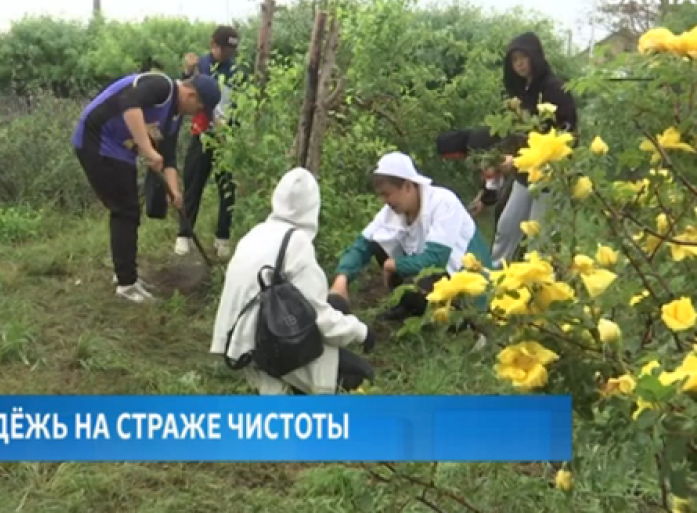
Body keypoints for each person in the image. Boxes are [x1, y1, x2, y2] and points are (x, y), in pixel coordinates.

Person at [211, 167, 376, 394]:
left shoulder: (256, 233)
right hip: (268, 345)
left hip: (237, 341)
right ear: (313, 207)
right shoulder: (296, 243)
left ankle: (291, 387)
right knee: (360, 374)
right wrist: (361, 332)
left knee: (337, 304)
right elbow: (321, 318)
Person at [71, 71, 223, 303]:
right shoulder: (161, 86)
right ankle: (126, 285)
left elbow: (168, 157)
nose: (197, 114)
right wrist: (148, 150)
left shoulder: (173, 117)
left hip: (120, 150)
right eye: (200, 108)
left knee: (129, 210)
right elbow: (129, 105)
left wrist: (175, 192)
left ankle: (126, 275)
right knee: (125, 210)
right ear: (191, 95)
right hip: (98, 141)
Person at [329, 152, 492, 323]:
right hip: (433, 274)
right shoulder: (390, 213)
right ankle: (408, 307)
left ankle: (452, 317)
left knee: (425, 274)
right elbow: (362, 245)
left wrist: (393, 264)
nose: (384, 201)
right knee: (379, 243)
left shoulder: (443, 202)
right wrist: (342, 278)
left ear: (407, 186)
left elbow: (435, 260)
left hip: (465, 282)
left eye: (387, 194)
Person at [490, 32, 578, 269]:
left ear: (535, 57)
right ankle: (496, 282)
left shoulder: (554, 88)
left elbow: (566, 133)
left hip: (549, 175)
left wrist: (521, 160)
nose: (519, 64)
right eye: (514, 60)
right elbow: (519, 134)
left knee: (539, 237)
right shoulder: (521, 92)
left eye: (523, 57)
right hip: (523, 175)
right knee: (507, 228)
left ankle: (538, 291)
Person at [176, 26, 245, 259]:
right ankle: (184, 235)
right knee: (193, 183)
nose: (227, 55)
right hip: (202, 133)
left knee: (227, 188)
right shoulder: (202, 66)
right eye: (224, 50)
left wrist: (233, 129)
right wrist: (188, 72)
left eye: (231, 51)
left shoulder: (237, 71)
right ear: (213, 44)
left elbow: (241, 102)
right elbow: (186, 92)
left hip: (228, 137)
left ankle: (222, 237)